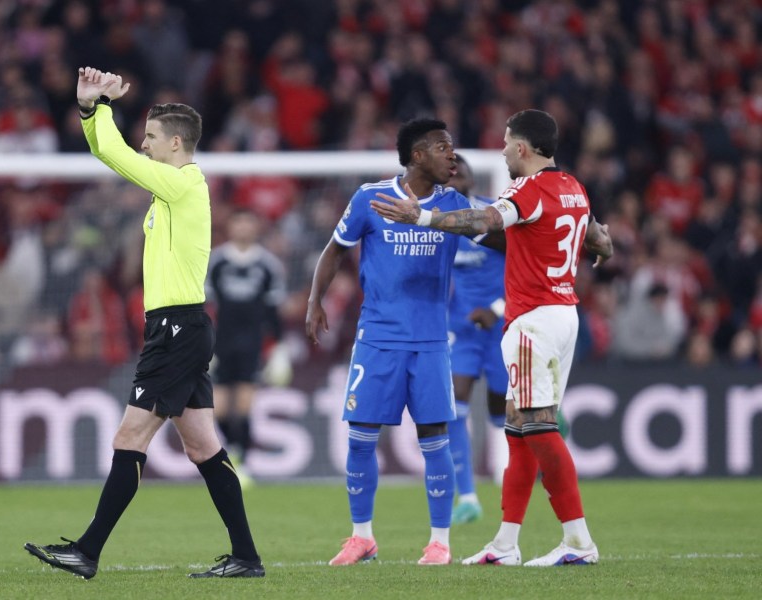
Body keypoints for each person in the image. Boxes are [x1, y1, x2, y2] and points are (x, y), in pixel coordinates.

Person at [24, 67, 264, 579]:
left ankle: (87, 551)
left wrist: (96, 109)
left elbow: (113, 154)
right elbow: (109, 152)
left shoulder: (180, 185)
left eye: (152, 138)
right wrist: (91, 110)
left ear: (177, 143)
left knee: (129, 438)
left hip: (178, 330)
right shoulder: (172, 192)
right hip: (180, 329)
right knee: (203, 446)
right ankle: (246, 557)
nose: (145, 145)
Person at [371, 109, 613, 567]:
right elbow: (598, 239)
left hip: (534, 321)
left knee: (539, 430)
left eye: (505, 143)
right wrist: (606, 246)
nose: (501, 151)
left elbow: (485, 220)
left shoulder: (526, 189)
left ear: (522, 148)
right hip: (564, 315)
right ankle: (505, 544)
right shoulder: (573, 188)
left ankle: (579, 541)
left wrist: (420, 217)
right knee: (520, 432)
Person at [306, 118, 470, 566]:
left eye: (451, 148)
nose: (451, 155)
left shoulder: (455, 206)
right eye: (442, 147)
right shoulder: (369, 198)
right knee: (360, 439)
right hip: (377, 339)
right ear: (417, 155)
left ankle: (440, 542)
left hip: (432, 342)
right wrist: (314, 300)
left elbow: (499, 239)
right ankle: (363, 538)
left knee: (435, 437)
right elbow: (336, 248)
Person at [444, 154, 508, 526]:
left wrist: (496, 309)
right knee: (454, 408)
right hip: (461, 331)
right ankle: (466, 495)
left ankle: (507, 477)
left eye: (460, 173)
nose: (454, 179)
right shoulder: (438, 224)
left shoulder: (493, 216)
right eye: (448, 175)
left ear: (471, 179)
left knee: (503, 413)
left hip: (500, 327)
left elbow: (524, 269)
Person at [207, 209, 291, 477]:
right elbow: (205, 307)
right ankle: (234, 450)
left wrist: (278, 349)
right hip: (220, 345)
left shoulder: (268, 265)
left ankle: (240, 463)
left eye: (248, 223)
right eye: (238, 222)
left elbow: (273, 312)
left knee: (243, 407)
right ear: (230, 227)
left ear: (256, 228)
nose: (243, 228)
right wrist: (203, 344)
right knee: (218, 410)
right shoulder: (216, 262)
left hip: (251, 345)